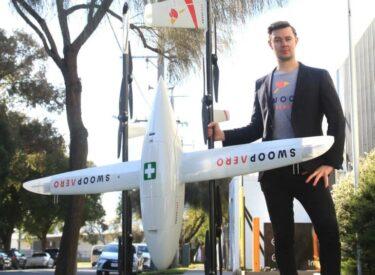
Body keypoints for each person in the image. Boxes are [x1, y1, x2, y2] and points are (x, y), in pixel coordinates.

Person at [208, 21, 345, 275]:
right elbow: (255, 129)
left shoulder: (318, 77)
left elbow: (337, 121)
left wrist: (330, 163)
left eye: (287, 38)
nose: (283, 43)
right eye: (278, 40)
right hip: (274, 174)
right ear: (270, 44)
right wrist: (222, 135)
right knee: (282, 240)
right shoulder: (262, 84)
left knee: (328, 230)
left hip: (311, 171)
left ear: (296, 40)